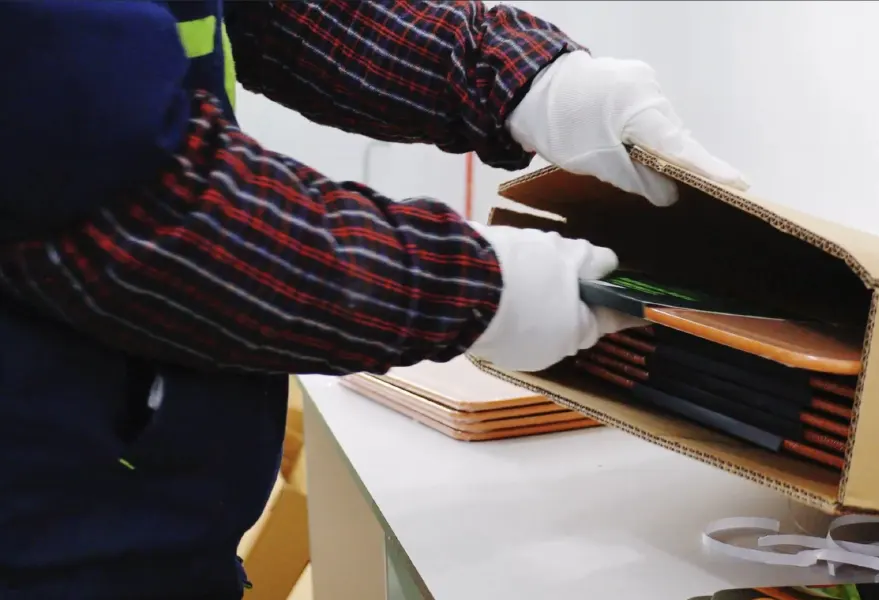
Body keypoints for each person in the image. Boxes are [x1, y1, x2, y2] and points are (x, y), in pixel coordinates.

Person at [0, 1, 747, 597]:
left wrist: (528, 77)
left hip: (143, 492)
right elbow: (136, 209)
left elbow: (281, 15)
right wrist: (476, 287)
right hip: (48, 528)